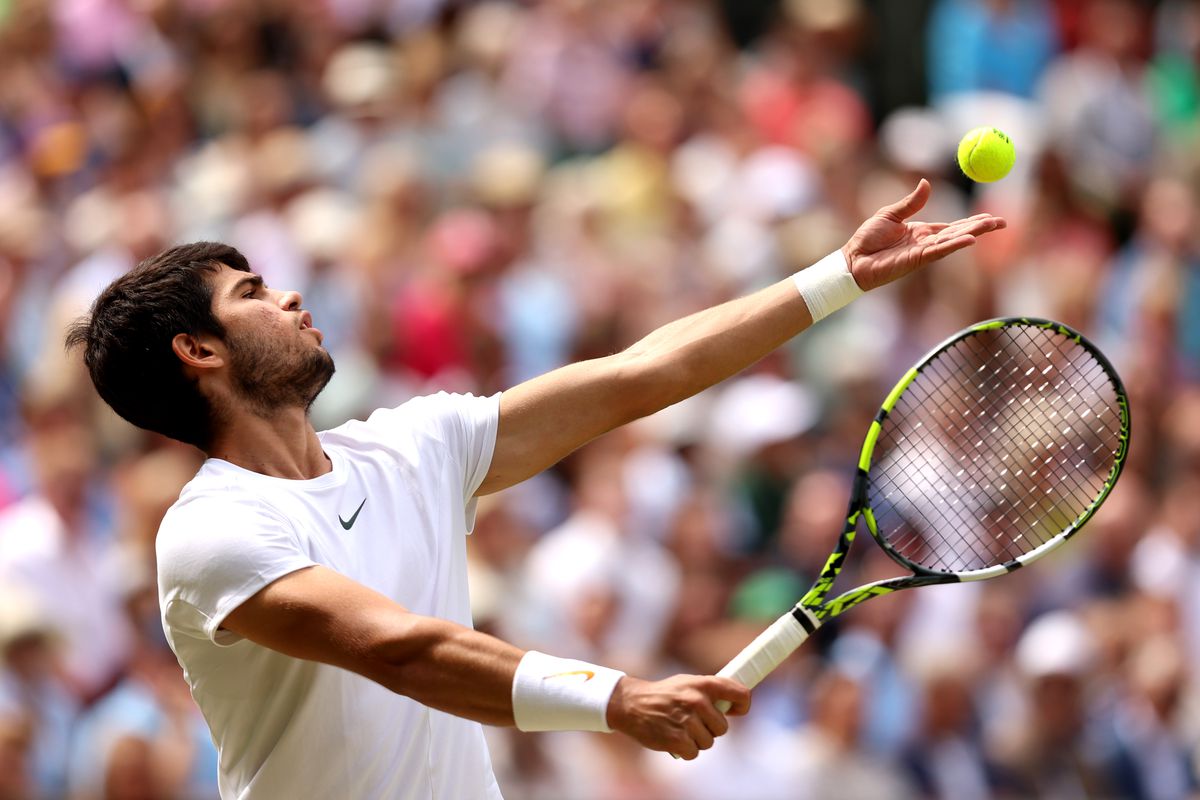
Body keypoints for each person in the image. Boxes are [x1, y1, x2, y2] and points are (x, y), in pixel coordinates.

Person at [64, 179, 1004, 799]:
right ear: (200, 352)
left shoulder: (415, 444)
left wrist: (837, 276)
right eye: (253, 294)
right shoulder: (211, 534)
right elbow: (405, 649)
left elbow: (646, 372)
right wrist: (615, 697)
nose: (290, 299)